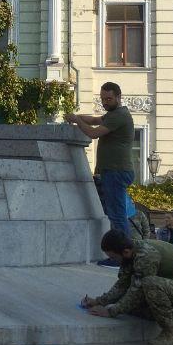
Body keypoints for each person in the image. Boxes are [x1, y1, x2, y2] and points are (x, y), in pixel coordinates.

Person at [82, 230, 173, 345]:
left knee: (150, 284)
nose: (112, 260)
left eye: (113, 257)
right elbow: (122, 285)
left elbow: (137, 291)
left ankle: (170, 335)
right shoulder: (131, 254)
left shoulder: (146, 255)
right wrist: (99, 301)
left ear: (125, 252)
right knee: (130, 304)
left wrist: (111, 311)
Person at [66, 82, 135, 234]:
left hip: (116, 171)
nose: (105, 102)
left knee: (116, 216)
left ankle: (124, 252)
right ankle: (117, 250)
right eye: (103, 99)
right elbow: (94, 120)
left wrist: (77, 121)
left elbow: (93, 133)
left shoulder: (119, 115)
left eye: (109, 99)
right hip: (111, 171)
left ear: (119, 97)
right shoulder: (113, 114)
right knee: (111, 214)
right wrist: (76, 116)